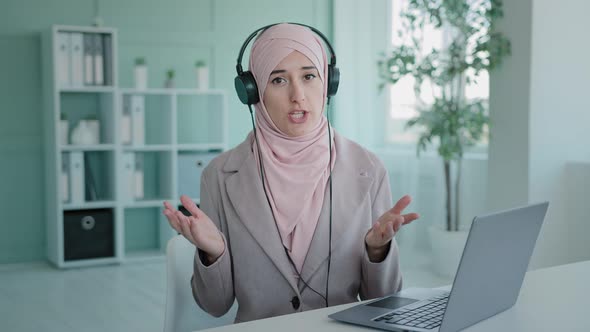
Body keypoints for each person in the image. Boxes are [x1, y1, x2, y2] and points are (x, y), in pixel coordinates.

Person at [162, 22, 419, 323]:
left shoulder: (368, 169)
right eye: (279, 81)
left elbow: (382, 300)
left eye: (309, 76)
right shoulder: (219, 175)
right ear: (253, 91)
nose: (298, 95)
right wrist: (213, 253)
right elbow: (214, 305)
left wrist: (378, 251)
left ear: (328, 83)